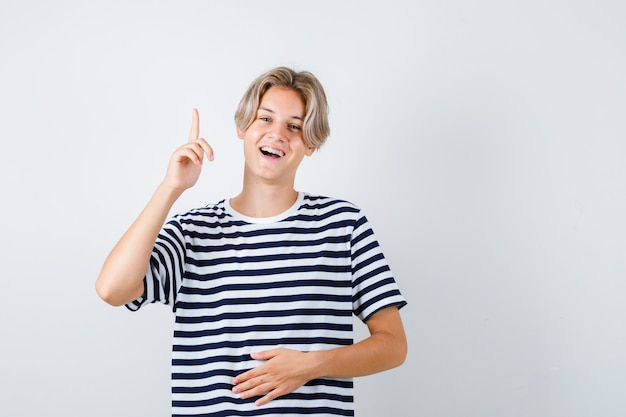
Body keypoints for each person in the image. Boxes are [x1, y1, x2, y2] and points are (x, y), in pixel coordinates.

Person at [96, 66, 407, 417]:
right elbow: (112, 290)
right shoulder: (192, 230)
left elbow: (393, 346)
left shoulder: (343, 224)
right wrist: (171, 188)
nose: (277, 134)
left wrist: (310, 365)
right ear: (242, 128)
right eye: (265, 119)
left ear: (311, 144)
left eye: (294, 126)